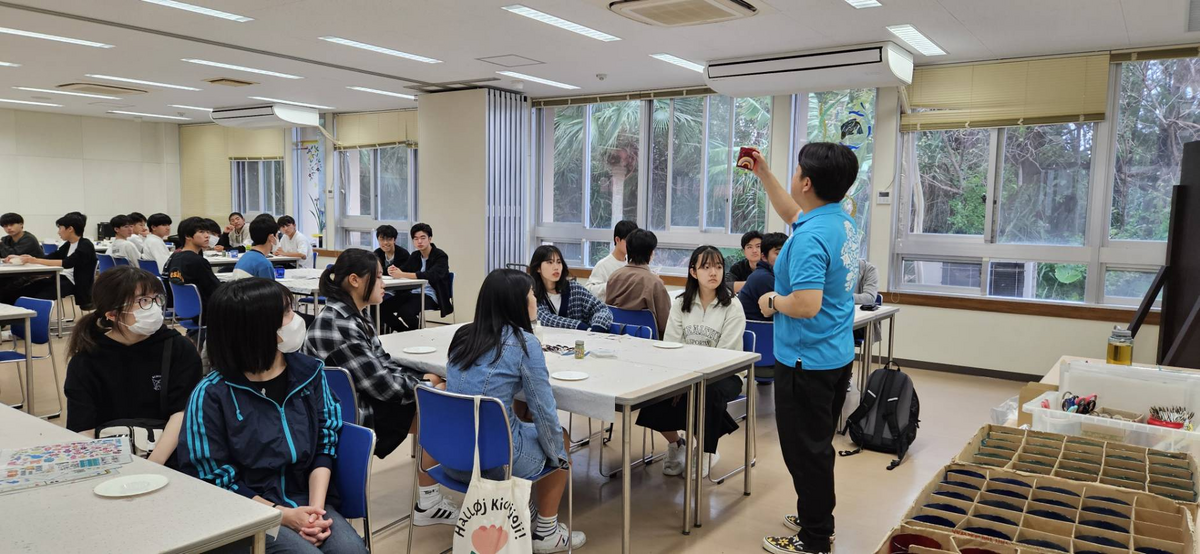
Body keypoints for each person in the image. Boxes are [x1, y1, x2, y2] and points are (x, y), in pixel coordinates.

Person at [178, 278, 367, 554]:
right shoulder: (211, 394)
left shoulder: (310, 374)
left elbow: (325, 442)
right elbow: (212, 476)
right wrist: (283, 515)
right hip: (245, 508)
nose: (297, 318)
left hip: (305, 496)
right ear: (258, 329)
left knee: (351, 551)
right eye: (287, 312)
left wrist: (314, 512)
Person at [750, 144, 861, 554]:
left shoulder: (810, 237)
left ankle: (815, 538)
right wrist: (764, 173)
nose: (793, 176)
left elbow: (806, 303)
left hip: (805, 361)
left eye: (796, 171)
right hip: (834, 353)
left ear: (807, 182)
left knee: (805, 452)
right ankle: (816, 515)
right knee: (817, 445)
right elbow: (792, 212)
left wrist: (772, 301)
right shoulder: (839, 220)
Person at [303, 249, 459, 527]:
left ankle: (431, 496)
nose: (384, 282)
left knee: (437, 389)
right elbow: (383, 386)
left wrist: (422, 379)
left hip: (357, 399)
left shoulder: (352, 314)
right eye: (377, 277)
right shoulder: (340, 323)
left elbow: (382, 363)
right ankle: (429, 502)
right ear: (354, 280)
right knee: (439, 407)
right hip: (351, 413)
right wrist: (425, 384)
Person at [445, 269, 586, 553]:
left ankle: (527, 510)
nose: (536, 300)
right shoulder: (524, 343)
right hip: (493, 464)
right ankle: (547, 533)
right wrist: (559, 458)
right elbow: (544, 411)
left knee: (518, 423)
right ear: (517, 303)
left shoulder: (462, 336)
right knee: (560, 438)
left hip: (451, 457)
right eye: (532, 294)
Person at [64, 266, 202, 466]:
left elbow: (182, 413)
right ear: (112, 314)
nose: (154, 307)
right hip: (110, 457)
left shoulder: (178, 348)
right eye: (143, 301)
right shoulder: (86, 360)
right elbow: (82, 427)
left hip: (168, 454)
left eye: (157, 299)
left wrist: (153, 465)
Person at [637, 246, 746, 479]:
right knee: (653, 392)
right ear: (693, 272)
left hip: (726, 373)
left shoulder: (733, 306)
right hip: (685, 370)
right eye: (706, 267)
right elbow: (672, 344)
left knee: (707, 393)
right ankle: (677, 444)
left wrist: (691, 378)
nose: (713, 272)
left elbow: (725, 355)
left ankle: (706, 451)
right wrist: (682, 377)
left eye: (718, 267)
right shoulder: (681, 303)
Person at [3, 213, 97, 308]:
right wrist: (27, 258)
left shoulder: (85, 245)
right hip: (58, 277)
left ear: (70, 229)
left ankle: (35, 317)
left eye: (60, 228)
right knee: (18, 292)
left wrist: (34, 260)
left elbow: (67, 263)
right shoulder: (68, 244)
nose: (58, 232)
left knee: (37, 298)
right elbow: (51, 257)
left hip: (72, 282)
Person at [381, 223, 453, 331]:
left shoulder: (440, 256)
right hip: (413, 293)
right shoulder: (415, 255)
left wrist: (402, 274)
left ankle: (420, 334)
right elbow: (403, 269)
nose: (419, 241)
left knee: (405, 311)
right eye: (416, 239)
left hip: (432, 295)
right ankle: (405, 332)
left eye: (423, 238)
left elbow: (431, 275)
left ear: (430, 238)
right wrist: (393, 270)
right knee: (382, 308)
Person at [528, 245, 612, 332]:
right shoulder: (531, 293)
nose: (556, 267)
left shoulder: (574, 289)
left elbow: (602, 309)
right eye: (550, 262)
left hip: (582, 339)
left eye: (559, 262)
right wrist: (580, 327)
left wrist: (597, 327)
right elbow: (545, 318)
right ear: (538, 268)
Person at [604, 229, 670, 337]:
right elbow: (665, 324)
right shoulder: (655, 283)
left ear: (628, 250)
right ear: (651, 253)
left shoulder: (614, 277)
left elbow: (608, 312)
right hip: (647, 341)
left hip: (616, 337)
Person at [163, 217, 222, 309]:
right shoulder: (197, 261)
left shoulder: (174, 256)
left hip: (180, 308)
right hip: (204, 309)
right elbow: (216, 290)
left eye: (207, 232)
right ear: (187, 236)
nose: (207, 236)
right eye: (201, 232)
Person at [738, 232, 788, 322]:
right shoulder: (763, 278)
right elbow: (788, 311)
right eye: (778, 254)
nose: (784, 258)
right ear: (764, 257)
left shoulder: (770, 274)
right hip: (758, 329)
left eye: (787, 253)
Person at [584, 220, 637, 303]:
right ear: (617, 240)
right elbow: (589, 290)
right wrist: (611, 285)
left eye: (634, 241)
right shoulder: (603, 264)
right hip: (609, 308)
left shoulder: (632, 263)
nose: (632, 245)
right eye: (628, 241)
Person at [233, 214, 280, 280]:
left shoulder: (245, 256)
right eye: (276, 236)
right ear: (271, 237)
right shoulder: (264, 264)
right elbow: (269, 286)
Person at [854, 258, 881, 344]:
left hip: (859, 323)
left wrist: (841, 297)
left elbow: (869, 298)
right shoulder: (832, 267)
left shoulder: (869, 270)